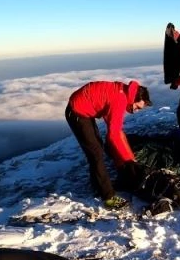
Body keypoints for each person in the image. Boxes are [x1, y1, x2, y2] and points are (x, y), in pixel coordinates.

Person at [65, 80, 152, 209]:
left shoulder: (124, 92)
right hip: (77, 113)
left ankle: (98, 187)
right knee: (96, 154)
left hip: (83, 109)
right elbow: (114, 135)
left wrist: (127, 158)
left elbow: (116, 130)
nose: (135, 111)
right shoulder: (120, 100)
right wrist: (130, 161)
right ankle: (108, 198)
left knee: (97, 149)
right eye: (137, 107)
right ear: (134, 98)